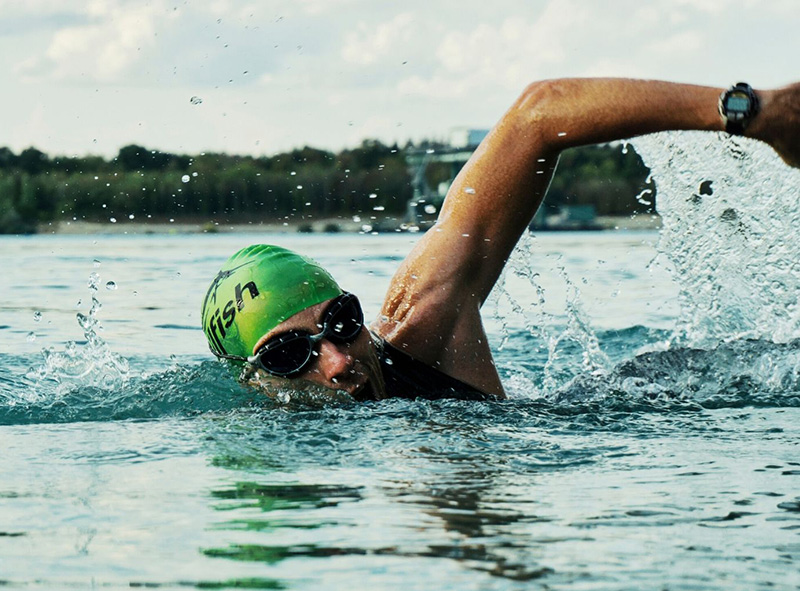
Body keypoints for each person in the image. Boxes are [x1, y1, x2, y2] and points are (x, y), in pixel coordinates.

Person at [202, 78, 800, 400]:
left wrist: (753, 112)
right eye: (289, 355)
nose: (335, 362)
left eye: (340, 321)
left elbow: (538, 115)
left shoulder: (421, 331)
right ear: (253, 380)